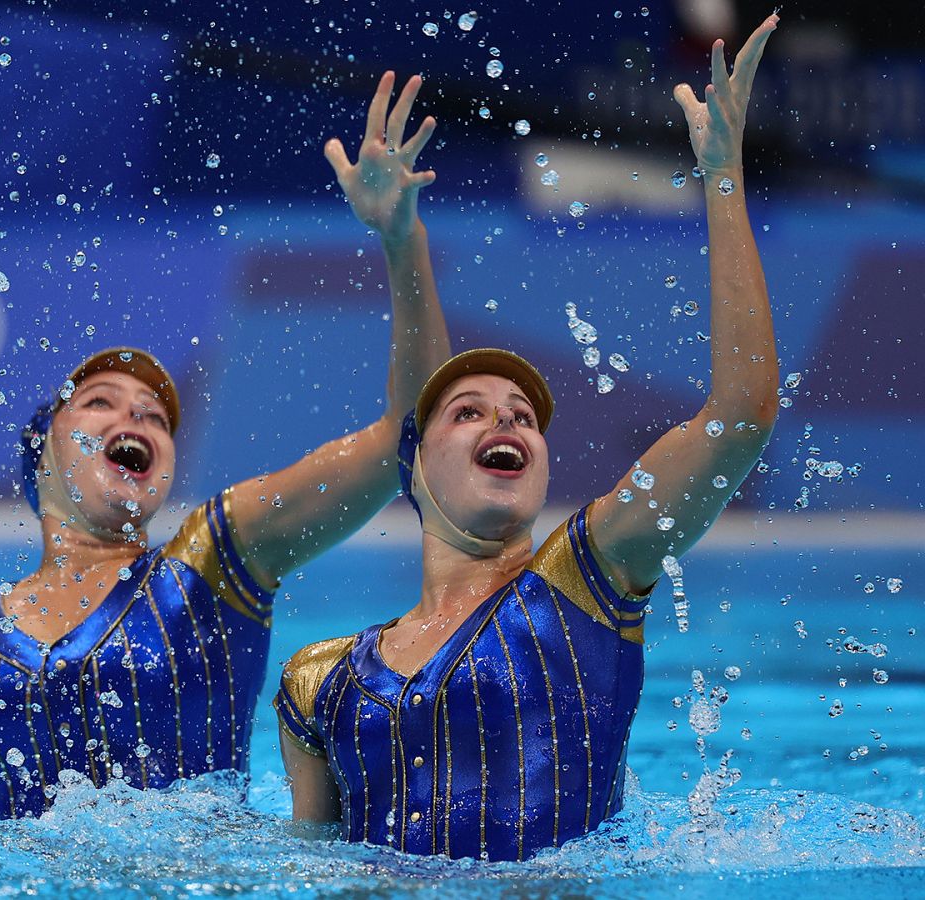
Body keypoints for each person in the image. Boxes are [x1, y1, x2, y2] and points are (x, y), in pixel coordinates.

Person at [0, 71, 455, 820]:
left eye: (156, 417)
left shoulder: (215, 568)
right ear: (41, 454)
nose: (138, 421)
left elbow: (412, 439)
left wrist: (400, 239)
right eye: (100, 404)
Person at [274, 15, 782, 860]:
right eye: (467, 411)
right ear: (414, 467)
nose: (507, 418)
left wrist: (722, 178)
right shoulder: (317, 683)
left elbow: (740, 418)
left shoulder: (588, 579)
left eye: (523, 414)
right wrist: (404, 238)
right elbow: (308, 868)